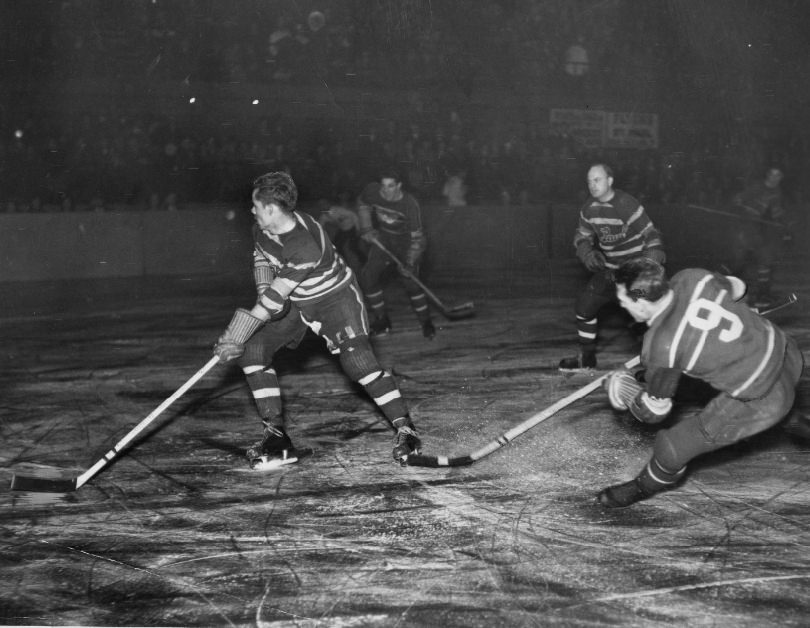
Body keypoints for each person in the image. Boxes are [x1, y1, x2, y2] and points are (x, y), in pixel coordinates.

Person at [213, 172, 421, 468]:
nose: (251, 210)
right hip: (298, 300)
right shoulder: (262, 227)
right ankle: (276, 439)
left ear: (270, 209)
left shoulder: (304, 245)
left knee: (358, 362)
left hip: (336, 300)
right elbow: (262, 259)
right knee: (253, 352)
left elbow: (273, 301)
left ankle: (407, 430)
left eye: (255, 205)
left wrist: (235, 334)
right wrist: (262, 290)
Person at [598, 257, 806, 507]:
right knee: (705, 378)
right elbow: (738, 288)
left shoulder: (662, 346)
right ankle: (796, 422)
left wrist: (623, 389)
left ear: (641, 304)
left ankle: (641, 487)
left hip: (764, 397)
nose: (622, 306)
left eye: (624, 301)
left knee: (675, 446)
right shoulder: (693, 277)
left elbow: (654, 412)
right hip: (786, 353)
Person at [559, 163, 666, 371]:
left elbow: (651, 234)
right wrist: (587, 252)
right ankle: (586, 359)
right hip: (611, 272)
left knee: (645, 312)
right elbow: (581, 236)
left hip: (634, 272)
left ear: (610, 181)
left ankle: (656, 364)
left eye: (597, 180)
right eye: (589, 181)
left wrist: (650, 265)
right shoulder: (588, 209)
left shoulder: (626, 204)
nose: (592, 185)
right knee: (584, 308)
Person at [356, 169, 436, 339]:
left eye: (390, 186)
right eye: (383, 186)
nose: (385, 190)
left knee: (411, 282)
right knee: (368, 276)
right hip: (384, 238)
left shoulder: (409, 204)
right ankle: (382, 321)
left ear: (399, 185)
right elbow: (362, 203)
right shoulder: (372, 191)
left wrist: (410, 262)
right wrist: (366, 228)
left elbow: (417, 239)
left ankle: (426, 322)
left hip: (407, 243)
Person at [729, 166, 787, 309]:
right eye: (773, 174)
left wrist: (782, 223)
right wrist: (742, 206)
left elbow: (776, 212)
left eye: (778, 175)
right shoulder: (756, 188)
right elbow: (737, 199)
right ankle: (729, 292)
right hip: (748, 230)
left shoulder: (777, 192)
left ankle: (762, 294)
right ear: (767, 175)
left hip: (763, 232)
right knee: (742, 264)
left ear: (781, 178)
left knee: (765, 262)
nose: (775, 178)